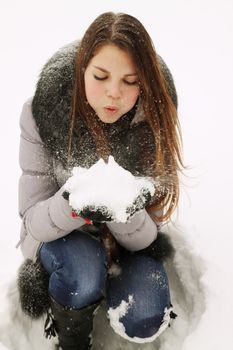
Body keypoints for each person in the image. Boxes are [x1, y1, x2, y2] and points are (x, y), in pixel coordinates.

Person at [17, 11, 183, 350]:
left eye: (130, 80)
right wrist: (73, 205)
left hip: (127, 244)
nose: (114, 94)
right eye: (101, 76)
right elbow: (32, 223)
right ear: (82, 71)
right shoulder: (43, 113)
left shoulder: (151, 122)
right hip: (62, 239)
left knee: (146, 314)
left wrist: (122, 208)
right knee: (82, 269)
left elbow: (145, 238)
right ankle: (71, 332)